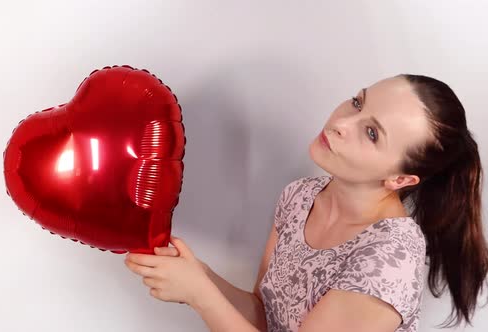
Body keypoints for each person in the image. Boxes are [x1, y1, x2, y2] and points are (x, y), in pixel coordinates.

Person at [124, 74, 488, 332]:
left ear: (400, 180)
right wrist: (200, 275)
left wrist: (200, 295)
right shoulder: (299, 196)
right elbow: (266, 316)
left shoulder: (389, 260)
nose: (343, 123)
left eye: (372, 133)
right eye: (357, 102)